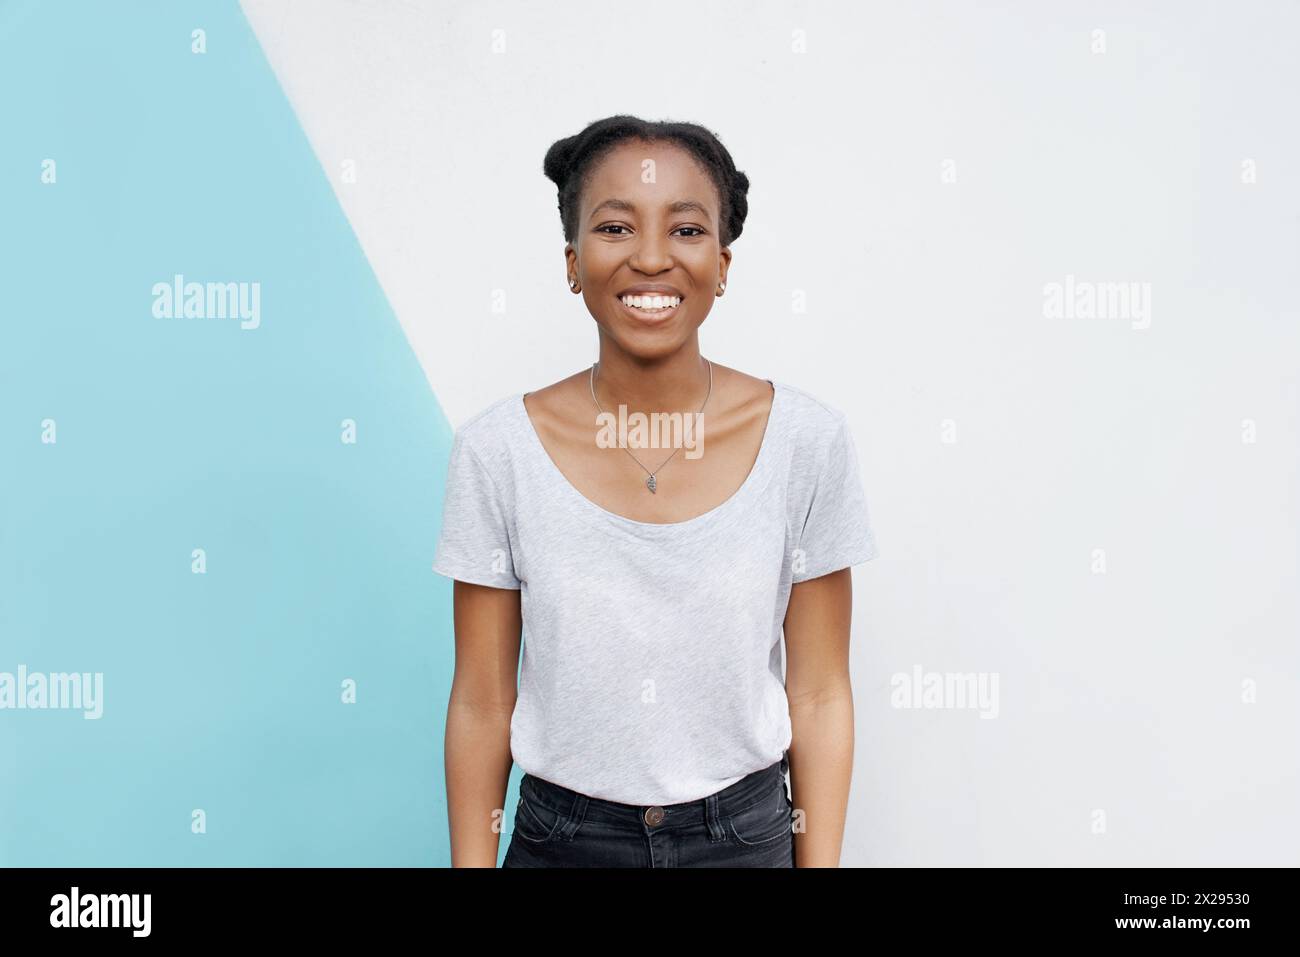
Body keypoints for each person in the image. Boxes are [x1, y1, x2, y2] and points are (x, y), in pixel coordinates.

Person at [434, 115, 879, 867]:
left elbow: (820, 693)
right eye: (614, 227)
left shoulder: (806, 441)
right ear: (572, 262)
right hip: (562, 840)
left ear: (723, 262)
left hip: (744, 838)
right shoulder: (496, 451)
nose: (649, 258)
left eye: (684, 230)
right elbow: (481, 701)